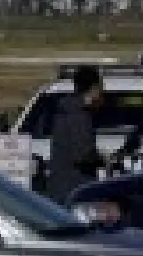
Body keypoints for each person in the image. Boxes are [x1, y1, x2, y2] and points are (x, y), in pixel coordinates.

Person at [45, 66, 105, 203]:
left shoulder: (65, 110)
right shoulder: (78, 115)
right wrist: (103, 159)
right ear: (94, 87)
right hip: (74, 189)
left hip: (62, 187)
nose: (102, 91)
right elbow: (82, 154)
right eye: (101, 87)